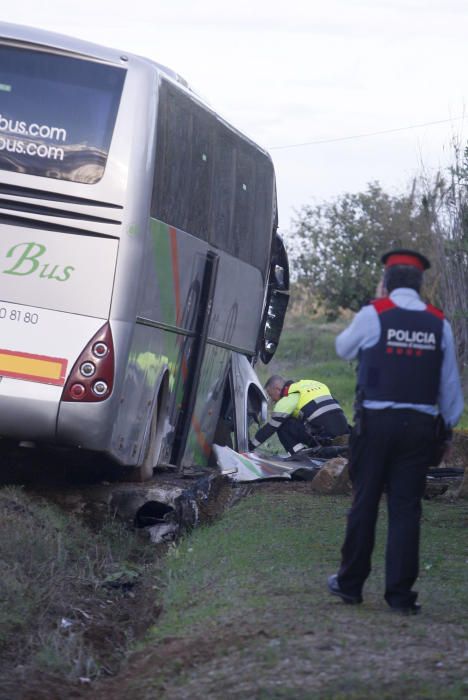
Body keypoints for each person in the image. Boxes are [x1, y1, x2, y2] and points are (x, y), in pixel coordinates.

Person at [328, 248, 464, 614]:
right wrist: (446, 432)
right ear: (420, 285)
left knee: (365, 502)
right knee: (406, 509)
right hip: (420, 430)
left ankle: (350, 584)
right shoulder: (439, 322)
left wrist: (375, 308)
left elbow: (343, 349)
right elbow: (450, 388)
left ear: (386, 282)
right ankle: (401, 597)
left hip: (376, 425)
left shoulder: (375, 314)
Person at [248, 375, 349, 456]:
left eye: (270, 395)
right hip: (343, 429)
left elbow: (270, 428)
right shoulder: (311, 384)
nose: (272, 400)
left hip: (325, 435)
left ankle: (300, 455)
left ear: (277, 389)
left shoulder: (288, 397)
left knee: (281, 425)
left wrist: (250, 446)